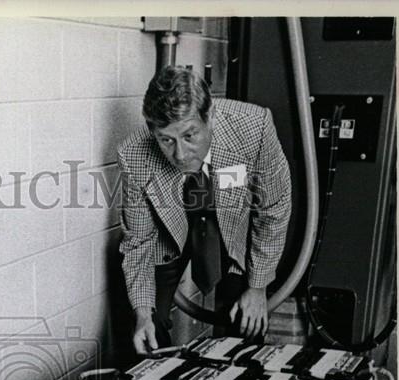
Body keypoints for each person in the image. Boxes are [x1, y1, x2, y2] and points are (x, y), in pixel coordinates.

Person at [118, 66, 292, 353]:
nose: (180, 154)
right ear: (153, 131)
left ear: (209, 117)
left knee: (246, 321)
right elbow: (138, 242)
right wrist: (142, 314)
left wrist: (258, 288)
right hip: (171, 233)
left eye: (190, 136)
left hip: (231, 223)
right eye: (166, 140)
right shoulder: (134, 154)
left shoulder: (253, 127)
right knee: (148, 326)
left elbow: (273, 210)